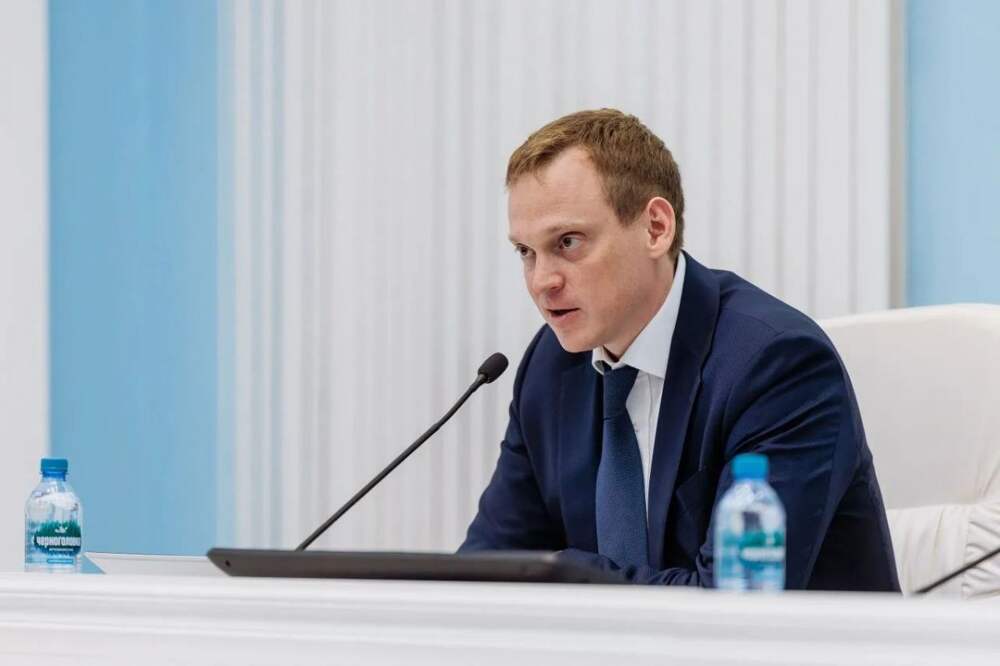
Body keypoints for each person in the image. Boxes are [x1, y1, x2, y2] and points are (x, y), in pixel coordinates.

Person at [459, 108, 900, 590]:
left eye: (568, 242)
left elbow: (734, 601)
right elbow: (488, 569)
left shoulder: (778, 365)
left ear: (655, 227)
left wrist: (562, 575)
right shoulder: (550, 367)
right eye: (526, 252)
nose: (542, 281)